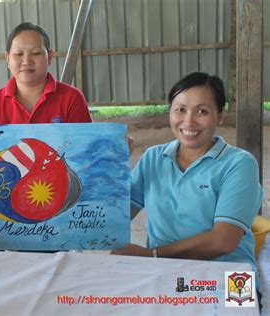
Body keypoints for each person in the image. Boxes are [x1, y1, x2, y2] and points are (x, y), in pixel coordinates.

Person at [112, 72, 263, 308]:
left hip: (232, 271)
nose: (189, 121)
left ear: (220, 116)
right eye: (180, 110)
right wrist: (111, 165)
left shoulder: (239, 164)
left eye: (202, 111)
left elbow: (223, 242)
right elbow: (113, 218)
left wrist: (151, 255)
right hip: (165, 269)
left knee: (238, 309)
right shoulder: (153, 158)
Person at [0, 22, 93, 126]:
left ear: (50, 57)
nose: (26, 61)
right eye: (18, 54)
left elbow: (86, 146)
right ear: (7, 59)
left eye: (36, 53)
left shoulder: (72, 99)